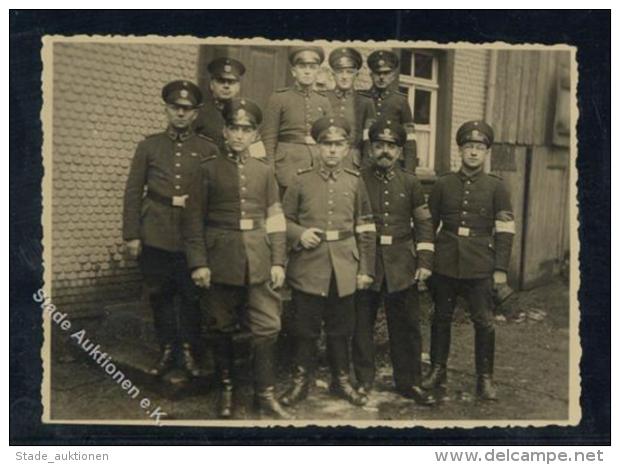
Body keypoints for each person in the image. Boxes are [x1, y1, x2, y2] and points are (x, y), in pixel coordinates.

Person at [183, 98, 292, 420]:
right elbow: (192, 223)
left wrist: (278, 261)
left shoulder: (264, 171)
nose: (240, 135)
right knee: (221, 326)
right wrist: (199, 263)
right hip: (220, 258)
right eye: (234, 128)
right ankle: (226, 389)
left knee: (268, 326)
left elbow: (276, 220)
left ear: (255, 133)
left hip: (258, 258)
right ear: (226, 131)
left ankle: (265, 394)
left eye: (247, 129)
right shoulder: (206, 170)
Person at [122, 80, 219, 379]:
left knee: (191, 296)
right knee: (160, 293)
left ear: (195, 114)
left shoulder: (208, 149)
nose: (180, 114)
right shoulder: (149, 146)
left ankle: (189, 350)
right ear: (166, 109)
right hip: (156, 231)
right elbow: (133, 191)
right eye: (175, 108)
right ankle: (167, 349)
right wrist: (132, 235)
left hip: (193, 236)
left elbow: (215, 195)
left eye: (186, 109)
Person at [280, 116, 376, 408]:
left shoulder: (355, 182)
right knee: (305, 329)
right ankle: (300, 382)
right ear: (317, 146)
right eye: (326, 144)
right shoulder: (300, 180)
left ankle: (341, 381)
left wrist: (365, 270)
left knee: (341, 329)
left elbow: (366, 228)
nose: (332, 150)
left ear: (347, 148)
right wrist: (299, 233)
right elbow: (282, 220)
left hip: (344, 267)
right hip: (309, 265)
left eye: (338, 144)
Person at [423, 120, 515, 401]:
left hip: (479, 263)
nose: (473, 153)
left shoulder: (496, 187)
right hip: (446, 260)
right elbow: (429, 224)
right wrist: (426, 262)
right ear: (460, 150)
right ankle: (438, 370)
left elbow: (505, 230)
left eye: (479, 148)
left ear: (486, 153)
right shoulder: (442, 184)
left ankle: (484, 378)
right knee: (441, 317)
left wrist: (500, 269)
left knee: (484, 322)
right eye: (468, 147)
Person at [353, 119, 436, 406]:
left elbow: (424, 224)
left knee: (407, 325)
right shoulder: (358, 179)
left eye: (391, 146)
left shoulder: (411, 182)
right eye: (379, 145)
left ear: (400, 151)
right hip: (368, 261)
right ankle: (362, 381)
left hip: (402, 262)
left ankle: (409, 381)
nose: (385, 151)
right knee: (361, 323)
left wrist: (424, 260)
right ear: (370, 149)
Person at [261, 46, 333, 194]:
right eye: (302, 67)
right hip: (287, 167)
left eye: (312, 67)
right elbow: (268, 138)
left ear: (317, 72)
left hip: (316, 166)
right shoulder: (279, 98)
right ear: (293, 71)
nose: (307, 71)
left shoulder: (323, 101)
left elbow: (329, 138)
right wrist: (270, 171)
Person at [360, 50, 418, 171]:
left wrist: (409, 172)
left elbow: (410, 140)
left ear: (393, 76)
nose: (381, 77)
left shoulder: (401, 101)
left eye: (386, 73)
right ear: (371, 75)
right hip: (364, 164)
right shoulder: (361, 98)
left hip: (391, 164)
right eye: (377, 73)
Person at [325, 47, 376, 168]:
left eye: (349, 72)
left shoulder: (365, 102)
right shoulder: (323, 98)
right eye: (340, 71)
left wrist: (365, 167)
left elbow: (368, 139)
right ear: (333, 74)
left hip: (352, 162)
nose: (344, 76)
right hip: (325, 159)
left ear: (356, 74)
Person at [193, 57, 245, 146]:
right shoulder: (198, 113)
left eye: (231, 82)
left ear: (238, 87)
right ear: (212, 85)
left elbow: (258, 152)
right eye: (221, 81)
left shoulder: (246, 114)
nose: (226, 86)